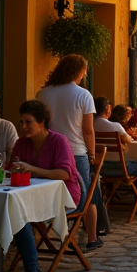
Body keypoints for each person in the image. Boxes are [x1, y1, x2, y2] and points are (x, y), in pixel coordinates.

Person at [9, 100, 81, 272]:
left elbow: (65, 174)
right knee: (16, 212)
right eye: (21, 122)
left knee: (20, 214)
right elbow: (12, 169)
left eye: (28, 122)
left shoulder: (59, 141)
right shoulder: (21, 143)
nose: (23, 127)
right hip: (32, 196)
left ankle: (31, 271)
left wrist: (32, 169)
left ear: (42, 122)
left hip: (62, 197)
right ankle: (32, 270)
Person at [37, 54, 101, 251]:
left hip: (49, 152)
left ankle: (47, 234)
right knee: (87, 195)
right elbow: (88, 129)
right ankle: (91, 237)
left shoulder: (42, 94)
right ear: (78, 71)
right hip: (76, 151)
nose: (84, 75)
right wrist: (92, 154)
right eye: (84, 71)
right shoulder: (83, 95)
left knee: (49, 194)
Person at [94, 103, 137, 184]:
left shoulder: (91, 126)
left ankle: (110, 192)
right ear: (108, 109)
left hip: (100, 168)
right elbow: (129, 140)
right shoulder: (116, 126)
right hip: (121, 169)